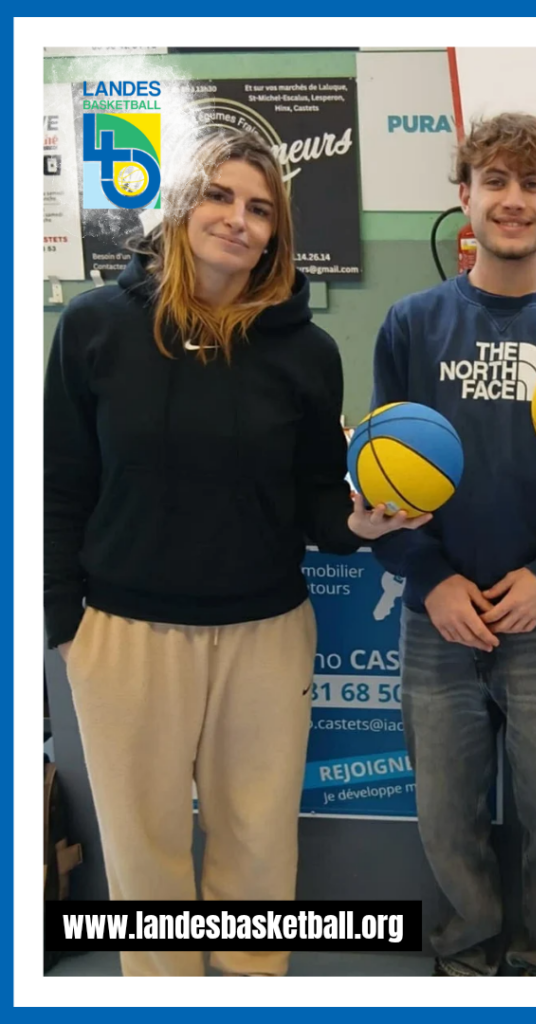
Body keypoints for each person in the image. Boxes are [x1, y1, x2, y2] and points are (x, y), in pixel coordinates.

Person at [43, 127, 425, 977]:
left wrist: (362, 526)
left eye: (260, 208)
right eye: (219, 196)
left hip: (264, 630)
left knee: (257, 840)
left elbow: (316, 496)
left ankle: (250, 988)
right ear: (183, 206)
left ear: (276, 233)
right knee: (143, 851)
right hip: (125, 632)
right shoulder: (94, 327)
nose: (237, 220)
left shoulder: (307, 351)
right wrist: (66, 625)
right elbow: (59, 482)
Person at [371, 112, 536, 977]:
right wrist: (431, 580)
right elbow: (381, 479)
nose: (513, 200)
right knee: (445, 814)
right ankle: (467, 952)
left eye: (533, 184)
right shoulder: (411, 326)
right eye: (495, 181)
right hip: (438, 618)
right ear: (465, 196)